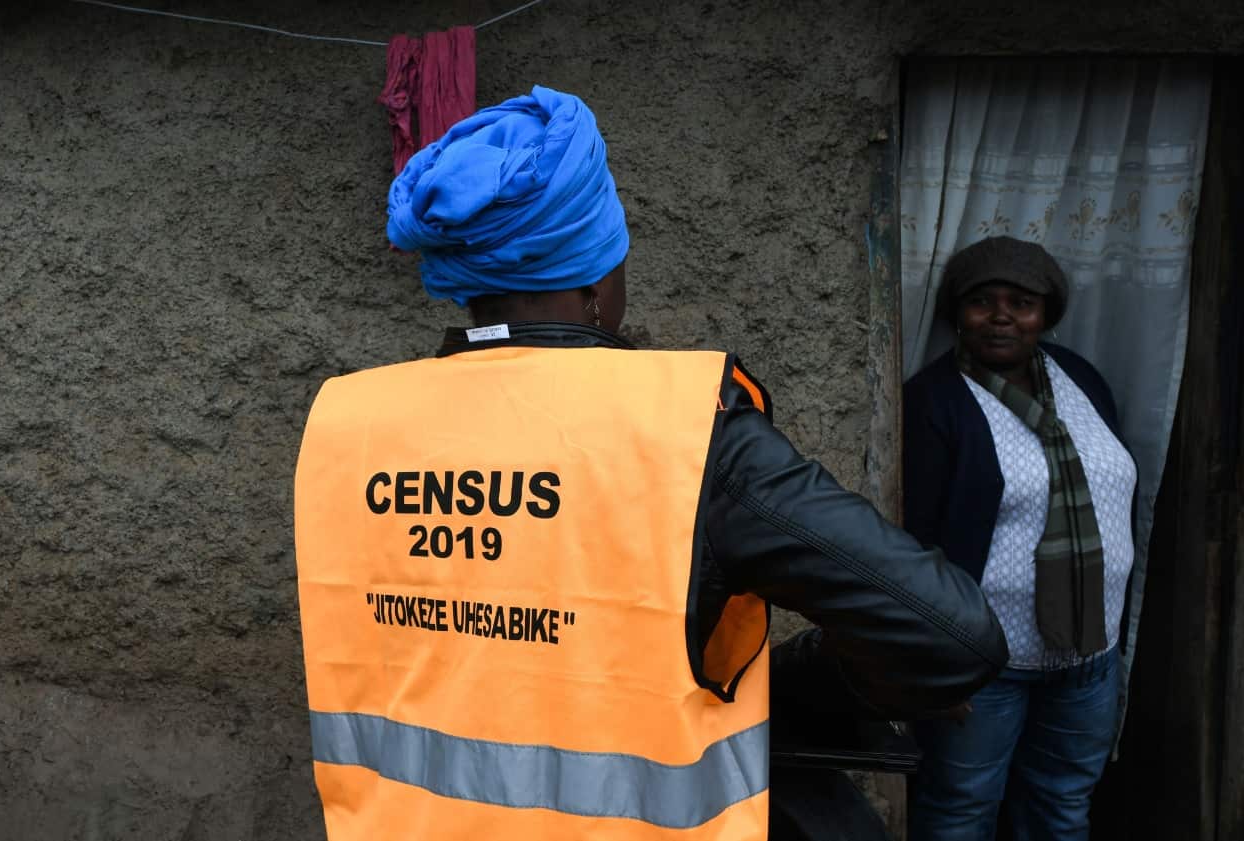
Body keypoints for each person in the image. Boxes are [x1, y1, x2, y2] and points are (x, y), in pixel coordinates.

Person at [293, 86, 1009, 841]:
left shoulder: (350, 421)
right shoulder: (685, 428)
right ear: (597, 279)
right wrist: (788, 681)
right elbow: (950, 636)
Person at [902, 236, 1138, 841]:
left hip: (1089, 658)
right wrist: (938, 666)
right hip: (985, 666)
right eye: (983, 301)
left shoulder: (1081, 380)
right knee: (961, 810)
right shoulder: (935, 402)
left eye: (1021, 302)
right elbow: (916, 543)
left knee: (1061, 809)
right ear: (958, 312)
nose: (1002, 315)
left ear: (1046, 315)